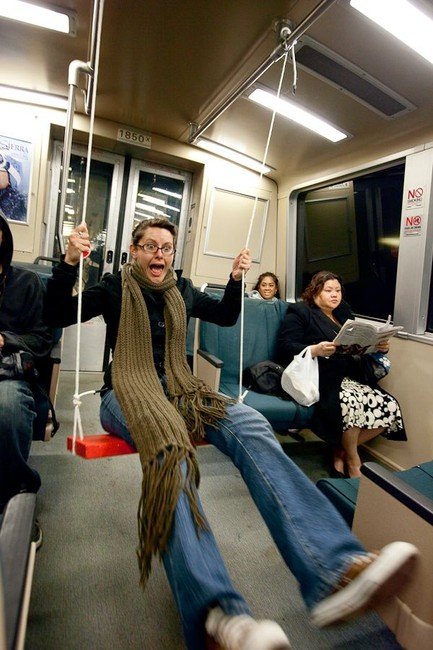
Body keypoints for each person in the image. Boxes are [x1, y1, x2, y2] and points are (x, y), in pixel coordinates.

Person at [44, 219, 417, 650]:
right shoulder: (113, 288)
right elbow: (54, 314)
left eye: (167, 247)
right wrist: (69, 263)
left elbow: (224, 315)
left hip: (184, 391)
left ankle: (332, 568)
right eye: (150, 246)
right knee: (173, 451)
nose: (160, 254)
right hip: (126, 393)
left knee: (252, 424)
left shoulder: (181, 292)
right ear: (134, 250)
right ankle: (215, 616)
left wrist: (236, 280)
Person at [276, 270, 405, 479]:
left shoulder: (344, 312)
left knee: (390, 407)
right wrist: (314, 349)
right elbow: (284, 346)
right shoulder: (301, 311)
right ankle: (354, 460)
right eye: (328, 290)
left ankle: (340, 449)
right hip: (322, 375)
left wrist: (378, 346)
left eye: (337, 290)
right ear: (315, 291)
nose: (335, 295)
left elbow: (357, 344)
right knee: (351, 402)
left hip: (350, 374)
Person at [0, 211, 53, 522]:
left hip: (11, 372)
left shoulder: (25, 283)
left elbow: (42, 339)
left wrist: (5, 340)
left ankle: (18, 494)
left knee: (6, 407)